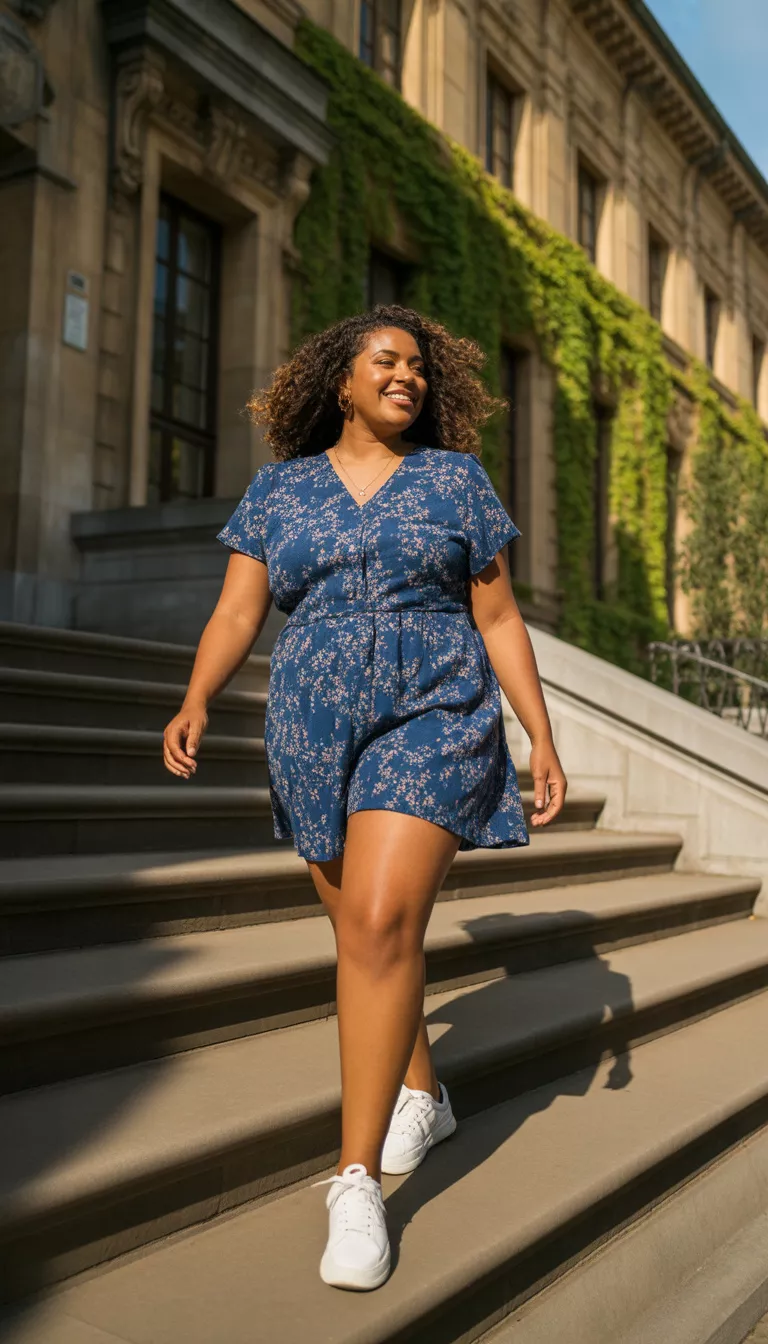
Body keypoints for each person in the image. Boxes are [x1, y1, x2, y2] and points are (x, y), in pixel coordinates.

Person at [163, 304, 567, 1293]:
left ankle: (354, 1182)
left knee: (383, 921)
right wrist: (197, 695)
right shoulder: (278, 491)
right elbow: (237, 609)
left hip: (435, 702)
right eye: (388, 361)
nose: (410, 376)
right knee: (365, 934)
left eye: (421, 367)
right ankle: (422, 1091)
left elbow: (500, 613)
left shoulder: (454, 482)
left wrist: (540, 732)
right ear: (338, 381)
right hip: (310, 721)